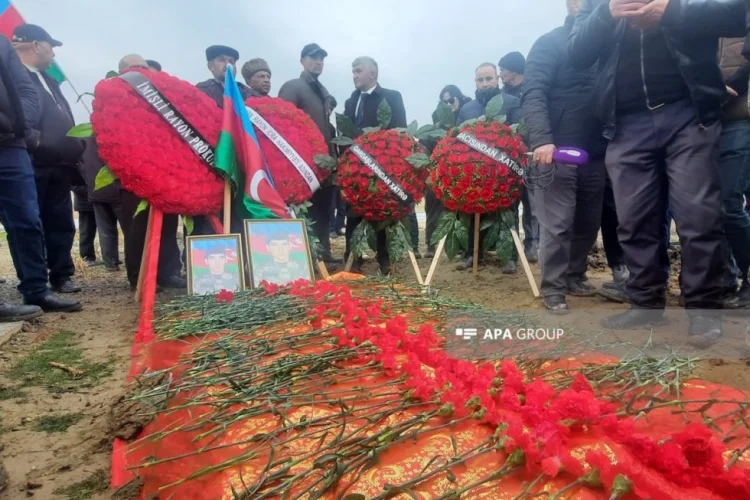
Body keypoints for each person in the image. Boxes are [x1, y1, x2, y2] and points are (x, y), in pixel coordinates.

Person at [568, 0, 746, 345]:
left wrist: (672, 11)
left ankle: (704, 309)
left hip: (689, 114)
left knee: (698, 218)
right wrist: (607, 13)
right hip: (625, 123)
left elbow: (738, 15)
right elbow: (576, 53)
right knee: (634, 220)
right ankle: (645, 302)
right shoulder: (598, 3)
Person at [523, 0, 607, 313]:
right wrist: (543, 140)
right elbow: (533, 93)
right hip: (557, 151)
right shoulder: (549, 43)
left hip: (596, 151)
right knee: (557, 224)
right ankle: (554, 288)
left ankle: (574, 274)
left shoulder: (607, 46)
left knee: (588, 222)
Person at [0, 33, 80, 318]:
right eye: (50, 47)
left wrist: (21, 128)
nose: (54, 54)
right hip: (32, 155)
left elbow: (25, 94)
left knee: (31, 220)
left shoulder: (4, 47)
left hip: (15, 144)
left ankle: (40, 286)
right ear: (35, 44)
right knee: (21, 220)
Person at [117, 54, 185, 290]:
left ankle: (167, 273)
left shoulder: (161, 103)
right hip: (134, 176)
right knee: (138, 229)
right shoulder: (118, 98)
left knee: (167, 226)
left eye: (147, 70)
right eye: (139, 69)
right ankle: (140, 277)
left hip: (164, 175)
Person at [342, 56, 408, 274]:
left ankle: (384, 258)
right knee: (353, 213)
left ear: (373, 73)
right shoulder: (351, 101)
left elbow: (401, 132)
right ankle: (354, 257)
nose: (354, 76)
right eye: (353, 71)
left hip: (382, 168)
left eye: (358, 71)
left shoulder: (391, 97)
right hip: (356, 170)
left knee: (382, 213)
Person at [455, 63, 522, 273]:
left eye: (489, 78)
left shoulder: (512, 103)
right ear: (475, 82)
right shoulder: (467, 109)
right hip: (475, 175)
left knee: (508, 213)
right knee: (473, 212)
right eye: (480, 80)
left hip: (504, 174)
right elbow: (457, 140)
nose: (485, 84)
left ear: (497, 79)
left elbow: (519, 137)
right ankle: (474, 254)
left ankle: (510, 257)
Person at [278, 43, 341, 266]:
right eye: (313, 58)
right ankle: (307, 255)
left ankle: (323, 252)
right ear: (302, 60)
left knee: (325, 209)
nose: (318, 62)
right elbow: (282, 124)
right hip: (303, 164)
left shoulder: (321, 91)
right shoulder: (293, 87)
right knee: (307, 210)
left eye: (321, 59)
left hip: (325, 162)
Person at [717, 35, 750, 306]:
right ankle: (726, 279)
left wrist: (731, 83)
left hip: (742, 117)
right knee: (714, 206)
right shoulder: (702, 14)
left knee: (730, 204)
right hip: (710, 122)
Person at [498, 51, 540, 264]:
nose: (500, 74)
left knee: (532, 202)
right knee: (511, 203)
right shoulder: (502, 95)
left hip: (531, 153)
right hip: (509, 158)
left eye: (503, 70)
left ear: (513, 70)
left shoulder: (532, 89)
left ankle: (532, 243)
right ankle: (511, 249)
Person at [424, 85, 472, 258]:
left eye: (451, 100)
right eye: (444, 102)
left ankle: (459, 247)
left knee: (460, 213)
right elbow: (426, 150)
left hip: (460, 175)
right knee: (432, 209)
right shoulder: (435, 126)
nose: (448, 105)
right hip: (437, 174)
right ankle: (431, 244)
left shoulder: (466, 122)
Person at [79, 137, 123, 271]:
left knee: (105, 229)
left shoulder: (84, 140)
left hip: (96, 190)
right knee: (130, 230)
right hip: (118, 189)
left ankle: (111, 262)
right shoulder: (113, 135)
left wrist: (88, 184)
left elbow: (80, 166)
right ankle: (135, 265)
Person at [72, 175, 98, 266]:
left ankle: (110, 257)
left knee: (107, 230)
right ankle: (87, 257)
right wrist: (90, 190)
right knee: (86, 231)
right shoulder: (78, 164)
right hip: (84, 203)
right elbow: (73, 185)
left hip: (100, 201)